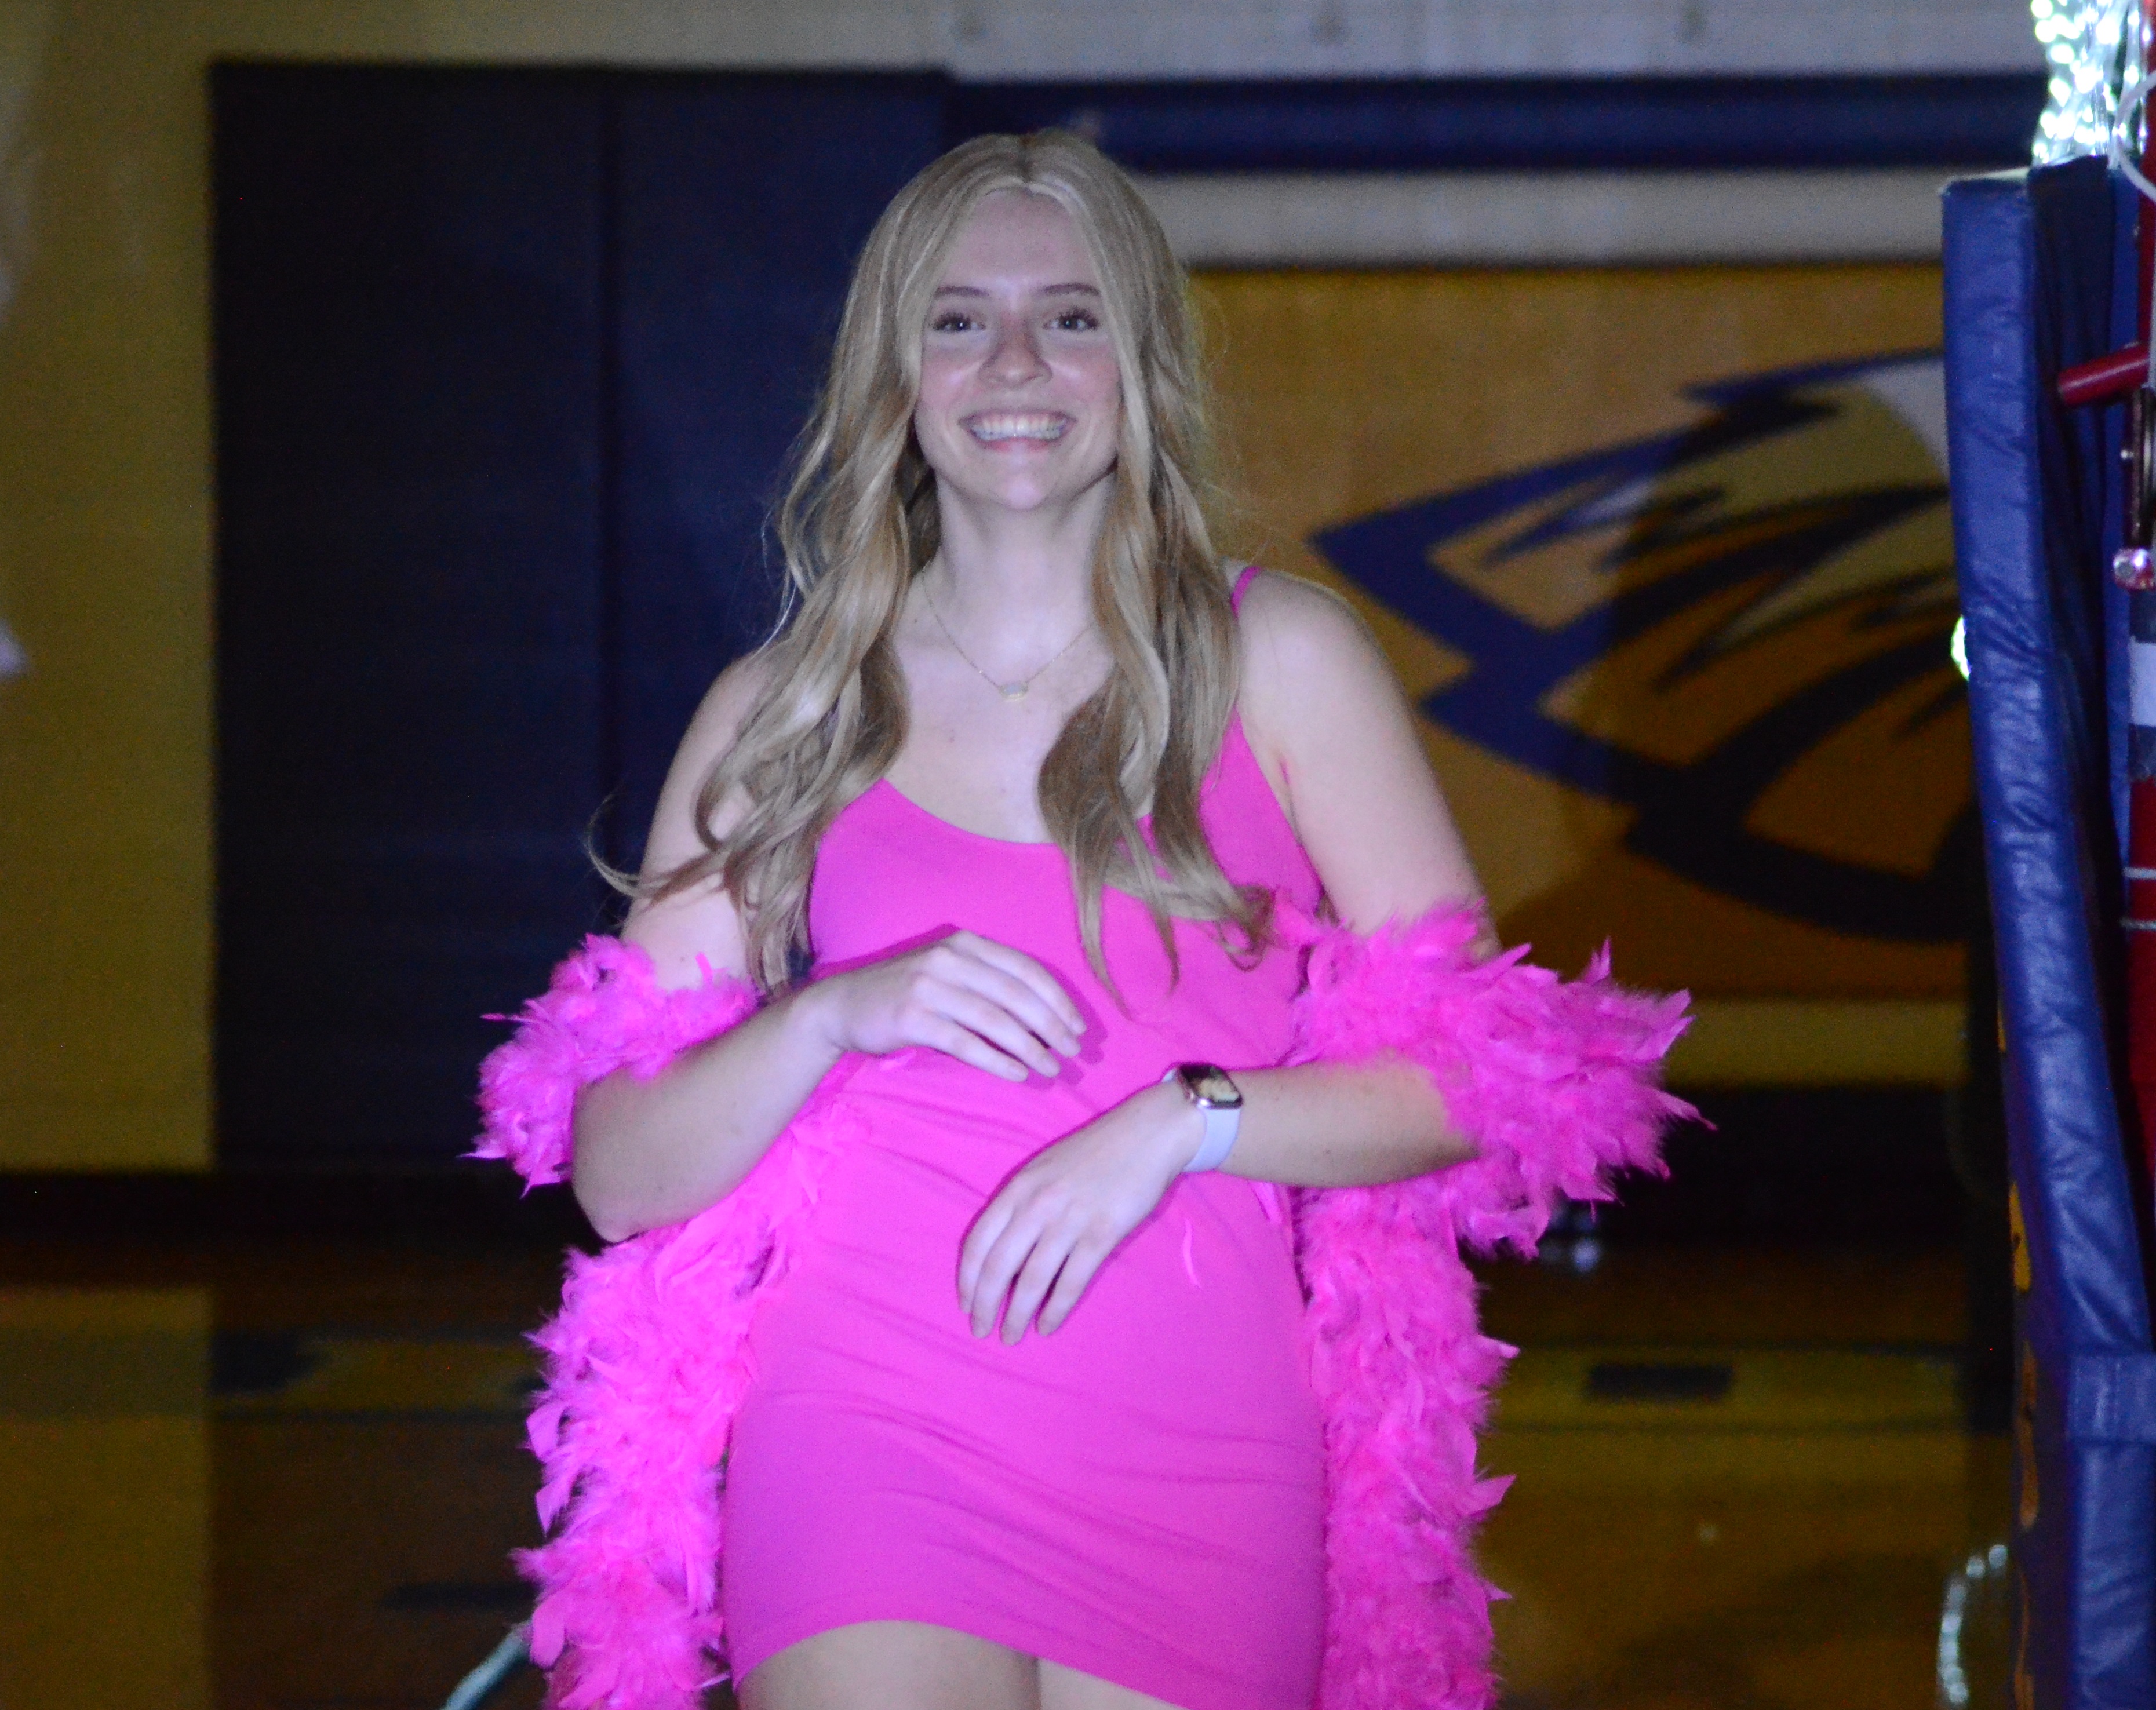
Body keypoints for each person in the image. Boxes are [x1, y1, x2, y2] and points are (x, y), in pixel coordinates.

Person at [475, 130, 1688, 1710]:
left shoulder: (1285, 662)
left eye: (1073, 315)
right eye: (960, 320)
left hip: (1203, 1443)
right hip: (865, 1425)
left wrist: (1186, 1122)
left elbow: (1483, 1082)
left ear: (1142, 358)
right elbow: (622, 1179)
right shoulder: (788, 710)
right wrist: (831, 1010)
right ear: (895, 374)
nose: (1018, 364)